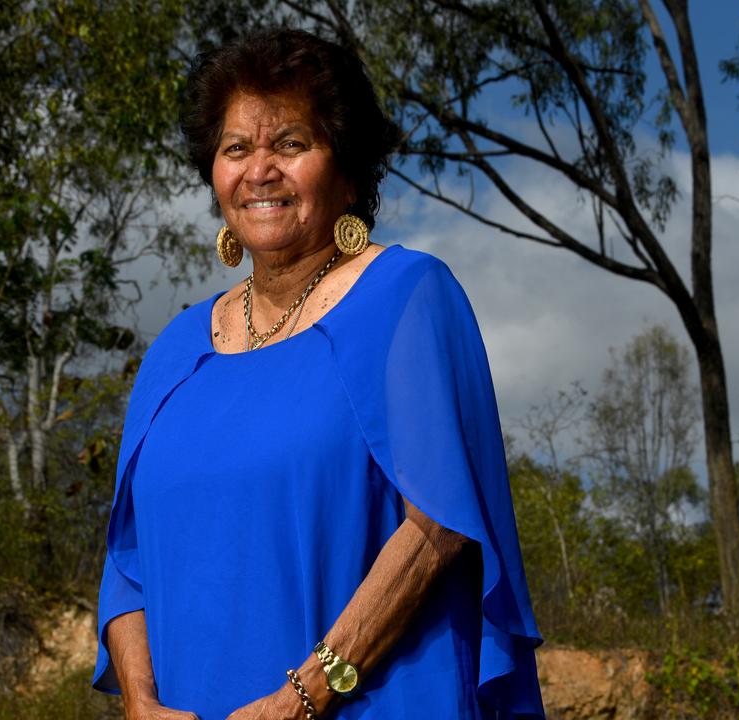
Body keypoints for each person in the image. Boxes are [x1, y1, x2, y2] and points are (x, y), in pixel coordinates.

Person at [92, 29, 545, 720]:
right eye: (236, 148)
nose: (259, 170)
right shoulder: (173, 353)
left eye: (292, 144)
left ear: (350, 170)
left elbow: (440, 527)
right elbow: (126, 567)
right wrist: (140, 701)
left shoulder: (406, 298)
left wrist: (302, 695)